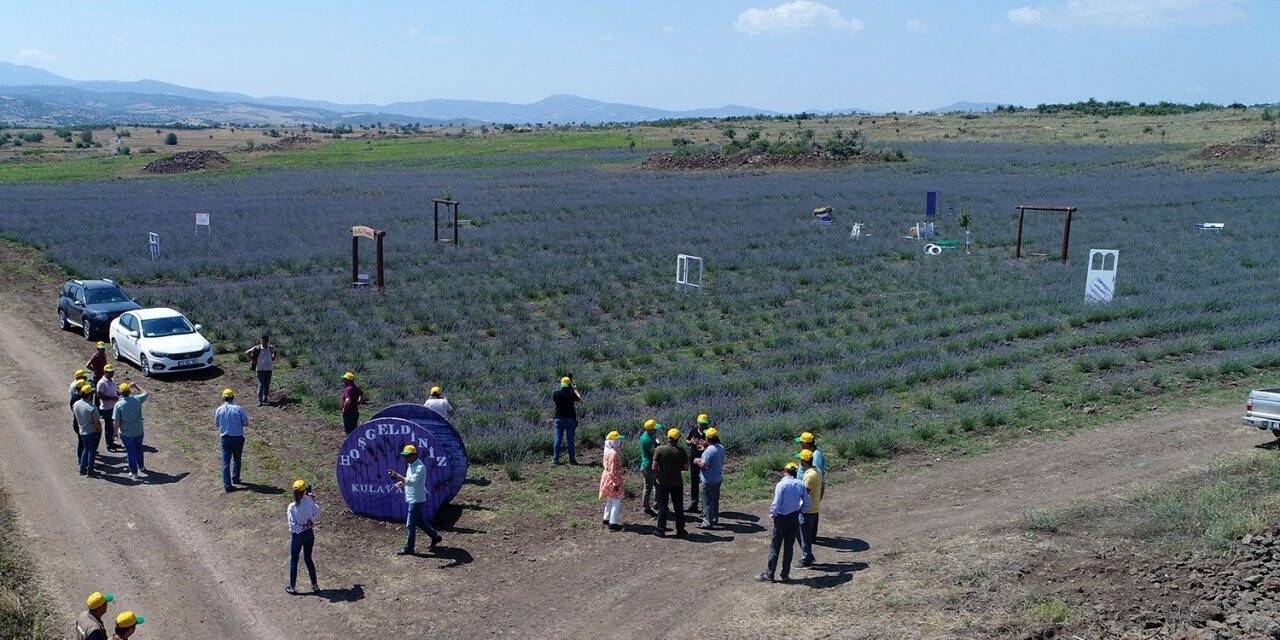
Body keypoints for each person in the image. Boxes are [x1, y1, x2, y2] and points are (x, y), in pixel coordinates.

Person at [758, 463, 810, 583]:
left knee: (775, 547)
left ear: (785, 471)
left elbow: (776, 503)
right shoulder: (800, 484)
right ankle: (785, 574)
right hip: (793, 518)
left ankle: (770, 574)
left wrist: (773, 514)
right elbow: (807, 502)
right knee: (789, 547)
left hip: (781, 518)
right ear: (795, 472)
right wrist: (800, 511)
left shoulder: (781, 485)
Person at [388, 444, 442, 555]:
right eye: (404, 456)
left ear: (414, 455)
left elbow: (413, 482)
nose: (405, 458)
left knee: (410, 524)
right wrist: (402, 483)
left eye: (407, 456)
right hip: (412, 497)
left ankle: (409, 548)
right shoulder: (411, 465)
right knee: (419, 521)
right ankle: (435, 536)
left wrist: (398, 475)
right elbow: (410, 481)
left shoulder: (420, 467)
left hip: (416, 499)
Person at [285, 479, 321, 595]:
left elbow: (293, 527)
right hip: (309, 535)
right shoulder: (309, 502)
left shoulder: (291, 507)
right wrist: (313, 499)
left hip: (297, 537)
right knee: (308, 559)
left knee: (294, 560)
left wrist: (303, 526)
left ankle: (292, 587)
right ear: (304, 491)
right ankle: (315, 586)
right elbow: (317, 512)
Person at [652, 427, 688, 537]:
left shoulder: (660, 449)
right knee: (678, 507)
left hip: (663, 482)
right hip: (677, 482)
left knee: (663, 507)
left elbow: (654, 467)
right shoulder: (681, 451)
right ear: (678, 439)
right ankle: (680, 530)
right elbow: (686, 468)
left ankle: (660, 530)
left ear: (668, 437)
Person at [112, 382, 149, 481]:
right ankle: (141, 466)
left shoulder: (118, 405)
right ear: (129, 391)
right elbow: (145, 393)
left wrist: (114, 433)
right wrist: (137, 386)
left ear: (120, 392)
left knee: (130, 452)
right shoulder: (137, 399)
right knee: (139, 449)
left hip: (126, 433)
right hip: (138, 431)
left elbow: (116, 422)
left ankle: (134, 473)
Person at [215, 388, 248, 492]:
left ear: (223, 398)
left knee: (225, 462)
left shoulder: (219, 409)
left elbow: (216, 424)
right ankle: (236, 478)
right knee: (237, 459)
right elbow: (246, 422)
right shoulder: (238, 409)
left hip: (225, 439)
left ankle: (227, 485)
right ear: (233, 397)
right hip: (237, 438)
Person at [796, 449, 824, 567]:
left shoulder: (809, 476)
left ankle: (807, 559)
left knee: (804, 535)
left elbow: (804, 494)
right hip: (814, 508)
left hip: (806, 510)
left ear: (804, 461)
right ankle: (808, 555)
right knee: (801, 532)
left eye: (800, 459)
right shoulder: (816, 471)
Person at [693, 427, 724, 529]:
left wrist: (697, 460)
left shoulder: (709, 451)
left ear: (708, 438)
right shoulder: (720, 447)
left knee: (707, 502)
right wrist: (705, 449)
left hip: (708, 480)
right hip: (718, 478)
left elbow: (703, 465)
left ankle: (707, 522)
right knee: (715, 500)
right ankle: (714, 518)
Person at [598, 431, 625, 531]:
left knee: (610, 498)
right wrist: (616, 483)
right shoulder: (614, 453)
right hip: (613, 478)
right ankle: (613, 522)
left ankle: (606, 518)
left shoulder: (607, 450)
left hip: (606, 477)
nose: (620, 442)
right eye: (618, 440)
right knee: (616, 500)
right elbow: (614, 470)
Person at [551, 376, 581, 465]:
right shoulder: (571, 394)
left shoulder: (556, 394)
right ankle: (572, 460)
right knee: (570, 440)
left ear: (561, 384)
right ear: (569, 384)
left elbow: (556, 398)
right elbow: (579, 398)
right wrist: (575, 390)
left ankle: (555, 459)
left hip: (558, 419)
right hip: (570, 419)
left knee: (558, 439)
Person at [74, 384, 102, 477]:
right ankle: (90, 470)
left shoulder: (76, 404)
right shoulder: (92, 408)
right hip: (92, 432)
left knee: (86, 449)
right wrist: (99, 431)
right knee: (92, 452)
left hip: (82, 431)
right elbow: (97, 422)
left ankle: (82, 469)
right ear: (89, 395)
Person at [685, 413, 710, 512]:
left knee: (706, 482)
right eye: (702, 423)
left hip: (706, 461)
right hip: (694, 460)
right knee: (694, 482)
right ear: (698, 423)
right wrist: (691, 442)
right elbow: (686, 440)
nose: (704, 425)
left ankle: (706, 505)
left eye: (705, 423)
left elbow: (715, 444)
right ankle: (694, 504)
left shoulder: (709, 432)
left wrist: (705, 445)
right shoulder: (694, 430)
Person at [96, 364, 121, 452]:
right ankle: (109, 444)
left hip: (114, 407)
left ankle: (112, 442)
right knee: (108, 427)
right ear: (105, 372)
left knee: (113, 427)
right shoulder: (102, 382)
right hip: (106, 409)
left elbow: (114, 390)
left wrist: (117, 393)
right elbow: (99, 395)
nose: (111, 374)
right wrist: (112, 398)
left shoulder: (112, 381)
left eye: (112, 372)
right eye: (109, 372)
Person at [246, 335, 276, 406]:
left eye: (265, 341)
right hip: (260, 369)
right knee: (261, 384)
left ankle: (265, 398)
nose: (263, 343)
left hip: (269, 369)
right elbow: (247, 353)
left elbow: (275, 351)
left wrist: (273, 357)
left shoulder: (271, 348)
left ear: (267, 341)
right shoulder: (257, 348)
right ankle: (260, 400)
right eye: (262, 341)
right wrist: (253, 360)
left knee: (267, 384)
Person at [638, 419, 658, 516]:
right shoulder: (647, 439)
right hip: (648, 466)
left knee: (656, 486)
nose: (656, 430)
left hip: (648, 465)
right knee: (648, 487)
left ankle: (656, 504)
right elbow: (655, 452)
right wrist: (660, 447)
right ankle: (646, 507)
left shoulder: (649, 436)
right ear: (650, 430)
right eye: (654, 429)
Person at [70, 369, 89, 462]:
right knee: (82, 442)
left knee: (83, 442)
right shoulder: (77, 399)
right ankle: (81, 460)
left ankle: (83, 459)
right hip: (80, 423)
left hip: (79, 422)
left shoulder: (76, 397)